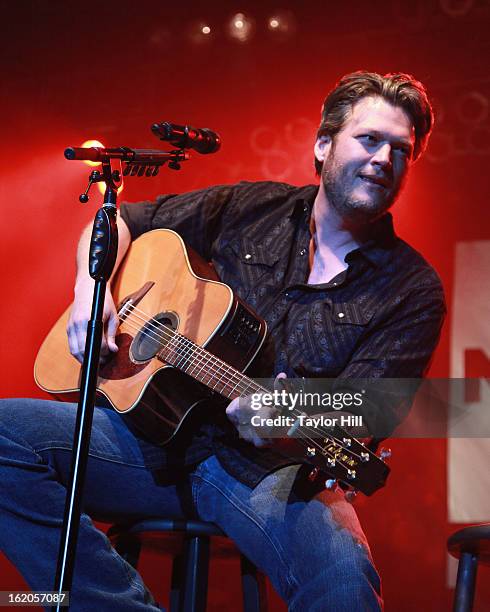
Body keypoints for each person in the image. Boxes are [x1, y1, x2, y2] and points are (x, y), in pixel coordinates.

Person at [0, 71, 445, 611]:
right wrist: (92, 291)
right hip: (146, 441)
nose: (383, 159)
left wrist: (280, 422)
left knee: (344, 578)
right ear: (324, 144)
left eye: (400, 149)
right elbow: (121, 221)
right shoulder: (252, 207)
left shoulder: (413, 290)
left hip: (269, 472)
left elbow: (368, 410)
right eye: (369, 139)